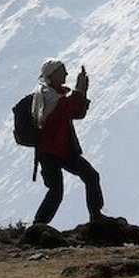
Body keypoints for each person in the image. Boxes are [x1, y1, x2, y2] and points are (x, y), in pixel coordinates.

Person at [32, 59, 105, 225]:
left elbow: (76, 112)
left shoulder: (53, 93)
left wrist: (81, 91)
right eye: (62, 71)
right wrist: (80, 89)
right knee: (60, 189)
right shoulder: (47, 94)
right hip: (53, 150)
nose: (66, 74)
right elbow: (69, 109)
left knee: (86, 178)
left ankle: (96, 216)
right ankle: (39, 226)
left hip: (59, 149)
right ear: (53, 74)